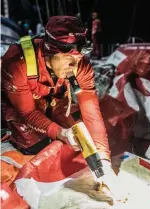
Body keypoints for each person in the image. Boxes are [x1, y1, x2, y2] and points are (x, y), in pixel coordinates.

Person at [1, 16, 121, 197]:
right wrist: (60, 133)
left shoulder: (80, 65)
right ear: (50, 53)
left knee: (81, 136)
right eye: (68, 61)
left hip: (54, 98)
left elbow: (92, 113)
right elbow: (27, 112)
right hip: (20, 103)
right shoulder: (18, 63)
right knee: (38, 146)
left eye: (79, 59)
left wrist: (103, 159)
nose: (74, 68)